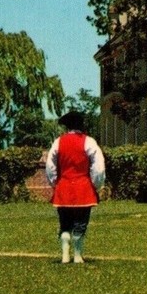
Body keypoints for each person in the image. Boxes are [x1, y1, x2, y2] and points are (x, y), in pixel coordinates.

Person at [45, 110, 105, 264]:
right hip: (83, 189)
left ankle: (65, 256)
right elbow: (98, 168)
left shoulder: (58, 142)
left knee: (65, 224)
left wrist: (55, 183)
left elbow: (50, 166)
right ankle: (78, 256)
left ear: (67, 126)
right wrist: (96, 185)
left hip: (63, 188)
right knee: (80, 223)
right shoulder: (89, 142)